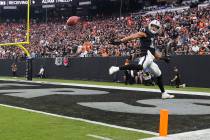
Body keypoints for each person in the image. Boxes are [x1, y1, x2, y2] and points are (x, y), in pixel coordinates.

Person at [109, 20, 174, 99]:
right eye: (153, 26)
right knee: (140, 67)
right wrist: (121, 41)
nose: (154, 28)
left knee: (159, 74)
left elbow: (155, 54)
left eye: (156, 27)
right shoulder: (145, 32)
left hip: (150, 58)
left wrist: (164, 58)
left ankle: (163, 93)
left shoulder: (153, 37)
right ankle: (116, 68)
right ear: (150, 25)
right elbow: (133, 36)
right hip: (145, 55)